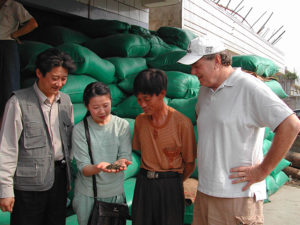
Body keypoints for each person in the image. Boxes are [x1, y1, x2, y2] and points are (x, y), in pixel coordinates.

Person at [178, 36, 300, 225]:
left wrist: (263, 170)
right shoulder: (204, 92)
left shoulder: (248, 87)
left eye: (197, 65)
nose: (193, 72)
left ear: (217, 60)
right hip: (205, 193)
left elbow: (291, 124)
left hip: (237, 197)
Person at [0, 48, 76, 225]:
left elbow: (69, 143)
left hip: (58, 179)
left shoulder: (66, 101)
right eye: (54, 78)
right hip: (28, 185)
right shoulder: (18, 102)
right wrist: (5, 190)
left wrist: (70, 177)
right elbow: (7, 147)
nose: (59, 84)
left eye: (63, 79)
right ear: (39, 73)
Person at [131, 68, 197, 225]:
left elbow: (190, 163)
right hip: (144, 185)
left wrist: (172, 182)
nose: (142, 105)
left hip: (170, 185)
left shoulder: (182, 123)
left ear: (161, 94)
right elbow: (140, 150)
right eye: (139, 100)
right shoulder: (140, 121)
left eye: (146, 99)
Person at [72, 82, 132, 225]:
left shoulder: (122, 125)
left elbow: (125, 154)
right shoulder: (80, 130)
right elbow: (84, 168)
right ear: (87, 106)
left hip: (115, 195)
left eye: (106, 105)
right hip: (89, 197)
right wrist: (100, 167)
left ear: (111, 101)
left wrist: (121, 162)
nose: (102, 111)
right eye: (96, 107)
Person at [0, 0, 38, 120]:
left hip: (7, 43)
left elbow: (33, 23)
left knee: (9, 82)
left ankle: (8, 119)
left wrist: (15, 35)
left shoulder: (13, 6)